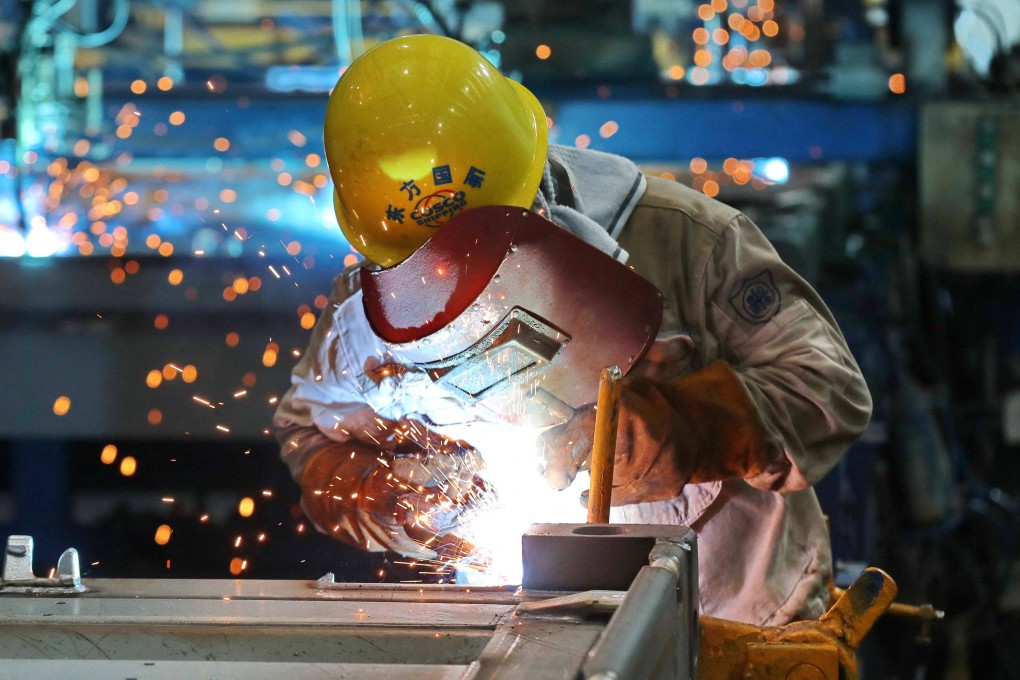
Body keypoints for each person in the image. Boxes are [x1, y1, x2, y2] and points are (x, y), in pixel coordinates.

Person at [274, 34, 872, 626]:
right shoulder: (371, 306)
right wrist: (390, 498)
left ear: (531, 193)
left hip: (737, 625)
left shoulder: (689, 240)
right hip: (528, 634)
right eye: (431, 272)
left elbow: (830, 390)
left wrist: (685, 428)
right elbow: (308, 433)